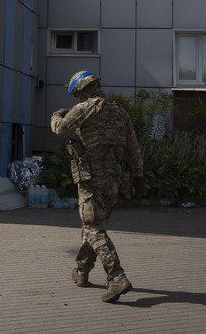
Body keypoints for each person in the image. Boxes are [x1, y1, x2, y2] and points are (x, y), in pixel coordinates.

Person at [50, 71, 143, 303]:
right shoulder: (121, 113)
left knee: (92, 229)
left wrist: (56, 115)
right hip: (115, 180)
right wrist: (138, 177)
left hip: (91, 177)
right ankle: (82, 272)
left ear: (82, 90)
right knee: (95, 227)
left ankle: (116, 276)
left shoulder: (85, 108)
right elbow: (134, 149)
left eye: (78, 94)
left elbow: (60, 128)